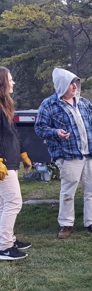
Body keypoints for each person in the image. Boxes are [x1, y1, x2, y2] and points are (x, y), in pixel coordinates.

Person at [34, 68, 92, 239]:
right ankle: (66, 225)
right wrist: (56, 133)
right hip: (68, 155)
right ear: (62, 85)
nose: (74, 87)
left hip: (89, 154)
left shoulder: (82, 102)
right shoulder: (48, 104)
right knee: (68, 192)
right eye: (71, 83)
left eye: (76, 83)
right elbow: (40, 128)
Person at [0, 66, 32, 260]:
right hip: (3, 164)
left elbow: (12, 134)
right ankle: (4, 247)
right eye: (10, 79)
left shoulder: (5, 104)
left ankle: (8, 239)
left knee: (4, 202)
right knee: (13, 202)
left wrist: (23, 154)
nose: (13, 82)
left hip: (10, 160)